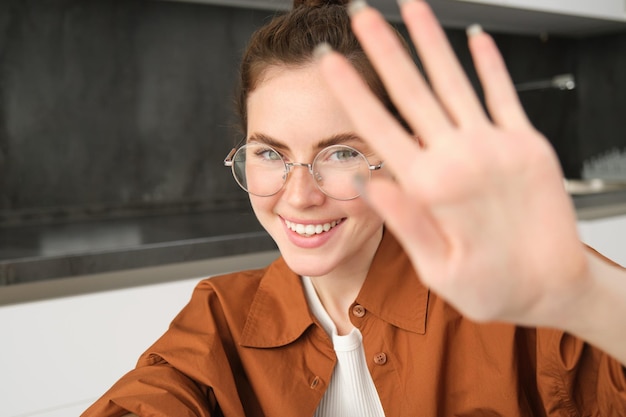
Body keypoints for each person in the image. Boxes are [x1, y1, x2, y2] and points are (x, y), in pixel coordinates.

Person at [82, 0, 626, 415]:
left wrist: (584, 295)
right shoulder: (219, 319)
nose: (299, 195)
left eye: (340, 152)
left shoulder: (517, 304)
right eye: (270, 153)